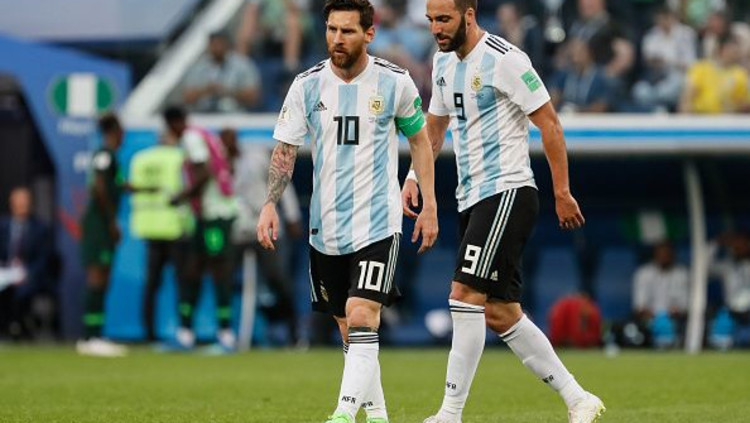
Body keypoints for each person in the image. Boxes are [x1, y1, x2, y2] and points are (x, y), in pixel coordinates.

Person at [402, 0, 604, 422]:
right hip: (471, 198)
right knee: (499, 312)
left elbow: (549, 123)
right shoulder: (442, 63)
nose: (436, 28)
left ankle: (449, 414)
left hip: (507, 191)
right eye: (431, 20)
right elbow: (434, 129)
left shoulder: (505, 59)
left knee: (463, 295)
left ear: (468, 15)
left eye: (444, 19)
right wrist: (413, 176)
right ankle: (579, 398)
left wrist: (562, 192)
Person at [256, 1, 438, 422]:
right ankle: (378, 415)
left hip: (378, 223)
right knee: (347, 327)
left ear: (369, 34)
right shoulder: (307, 85)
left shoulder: (394, 82)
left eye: (348, 31)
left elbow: (420, 142)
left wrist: (428, 203)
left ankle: (342, 414)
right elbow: (285, 151)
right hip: (326, 227)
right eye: (332, 29)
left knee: (362, 314)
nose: (337, 39)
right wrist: (269, 204)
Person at [163, 106, 239, 351]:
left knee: (218, 271)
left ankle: (225, 335)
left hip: (215, 215)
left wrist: (182, 196)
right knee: (193, 270)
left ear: (172, 124)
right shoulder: (204, 134)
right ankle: (185, 333)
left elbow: (204, 172)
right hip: (206, 215)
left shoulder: (190, 137)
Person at [220, 128, 302, 346]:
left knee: (277, 279)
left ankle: (294, 332)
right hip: (238, 229)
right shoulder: (220, 164)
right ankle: (225, 332)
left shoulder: (256, 157)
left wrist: (292, 215)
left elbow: (282, 183)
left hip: (266, 226)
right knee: (224, 278)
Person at [129, 133, 192, 342]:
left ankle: (148, 333)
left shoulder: (140, 159)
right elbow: (188, 188)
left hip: (149, 227)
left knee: (152, 284)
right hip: (174, 227)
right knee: (183, 283)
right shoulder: (178, 157)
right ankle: (185, 330)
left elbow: (130, 187)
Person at [76, 113, 129, 357]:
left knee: (103, 278)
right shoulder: (104, 155)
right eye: (121, 131)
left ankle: (95, 334)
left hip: (102, 224)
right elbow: (98, 188)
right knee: (97, 277)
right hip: (98, 225)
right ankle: (90, 337)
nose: (123, 136)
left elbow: (114, 185)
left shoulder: (110, 157)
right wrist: (111, 222)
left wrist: (146, 190)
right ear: (114, 131)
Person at [0, 187, 52, 340]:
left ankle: (19, 329)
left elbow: (43, 259)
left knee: (22, 292)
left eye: (25, 202)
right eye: (19, 203)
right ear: (12, 204)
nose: (22, 206)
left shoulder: (40, 229)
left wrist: (27, 273)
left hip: (28, 276)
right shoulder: (2, 226)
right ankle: (5, 328)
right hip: (4, 274)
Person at [182, 31, 262, 113]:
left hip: (235, 114)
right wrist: (207, 90)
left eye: (220, 44)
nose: (217, 48)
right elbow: (187, 98)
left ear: (227, 45)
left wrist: (227, 91)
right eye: (214, 45)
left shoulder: (243, 65)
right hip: (204, 114)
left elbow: (253, 97)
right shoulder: (198, 67)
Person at [632, 241, 690, 344]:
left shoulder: (682, 274)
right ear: (655, 254)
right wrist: (656, 317)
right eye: (661, 253)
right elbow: (639, 306)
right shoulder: (644, 273)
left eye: (667, 253)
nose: (664, 256)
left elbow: (685, 307)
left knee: (672, 324)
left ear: (673, 255)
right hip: (649, 322)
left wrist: (671, 314)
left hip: (675, 322)